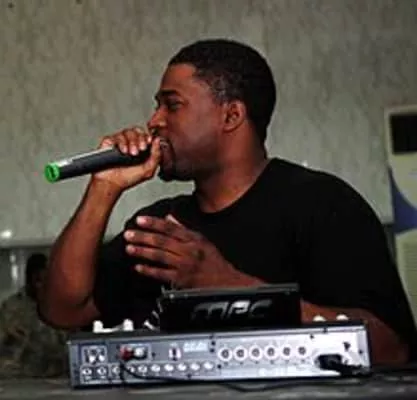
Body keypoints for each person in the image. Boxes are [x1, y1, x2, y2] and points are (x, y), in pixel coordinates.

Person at [39, 39, 416, 365]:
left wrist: (231, 287)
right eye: (157, 106)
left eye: (172, 105)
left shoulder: (322, 205)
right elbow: (62, 310)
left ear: (231, 115)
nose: (154, 121)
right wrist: (103, 188)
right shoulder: (158, 226)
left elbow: (392, 348)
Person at [0, 253, 69, 378]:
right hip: (20, 377)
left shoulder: (58, 306)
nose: (41, 286)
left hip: (56, 376)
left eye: (45, 281)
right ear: (29, 279)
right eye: (37, 280)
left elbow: (69, 342)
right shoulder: (12, 307)